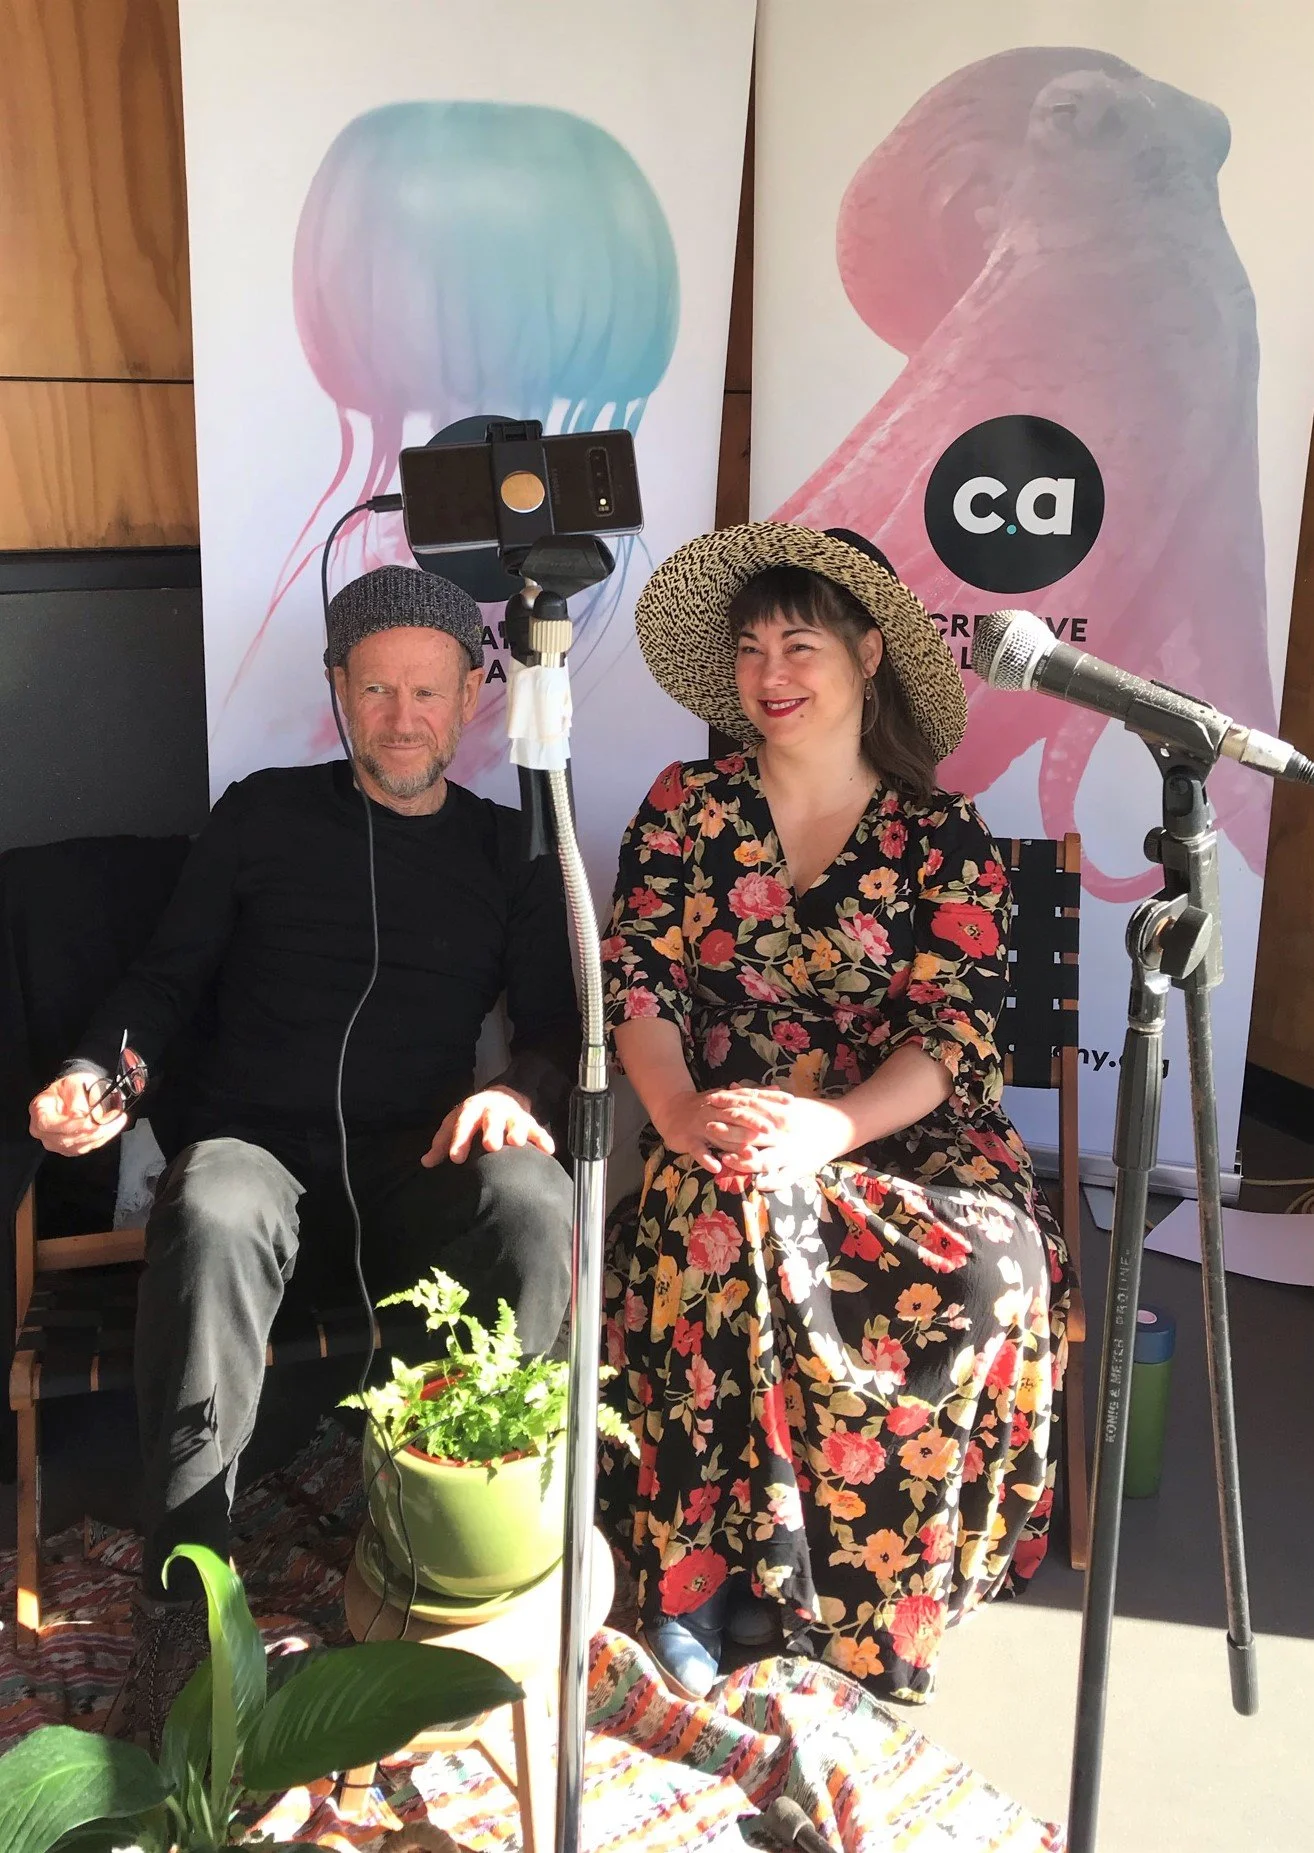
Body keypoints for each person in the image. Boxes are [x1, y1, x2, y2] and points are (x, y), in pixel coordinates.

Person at [28, 564, 578, 1743]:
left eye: (425, 691)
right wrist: (100, 1077)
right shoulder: (262, 812)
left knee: (533, 1195)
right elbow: (162, 985)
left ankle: (483, 1547)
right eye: (374, 687)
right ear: (337, 688)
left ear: (473, 697)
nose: (399, 716)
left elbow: (552, 1027)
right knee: (215, 1201)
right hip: (257, 1156)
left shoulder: (507, 849)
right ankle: (185, 1606)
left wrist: (513, 1095)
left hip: (413, 1169)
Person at [597, 522, 1070, 1703]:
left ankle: (859, 1597)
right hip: (728, 1112)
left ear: (867, 654)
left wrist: (836, 1127)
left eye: (800, 643)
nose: (772, 673)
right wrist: (674, 1106)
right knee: (720, 1203)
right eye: (751, 647)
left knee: (988, 1267)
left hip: (902, 1127)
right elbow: (640, 984)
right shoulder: (686, 804)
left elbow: (956, 1033)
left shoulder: (942, 835)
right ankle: (699, 1576)